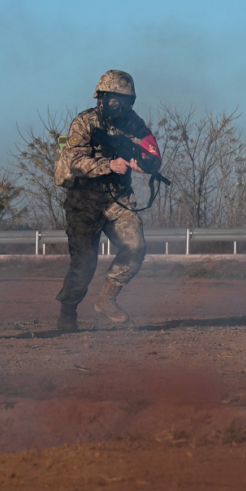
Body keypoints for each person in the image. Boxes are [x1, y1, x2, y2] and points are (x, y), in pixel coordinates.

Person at [54, 70, 162, 332]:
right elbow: (74, 161)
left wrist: (144, 164)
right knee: (84, 265)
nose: (119, 106)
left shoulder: (135, 124)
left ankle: (107, 298)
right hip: (83, 202)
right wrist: (109, 164)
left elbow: (152, 155)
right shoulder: (84, 122)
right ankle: (68, 312)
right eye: (114, 100)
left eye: (124, 101)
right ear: (101, 98)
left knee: (135, 247)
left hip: (118, 200)